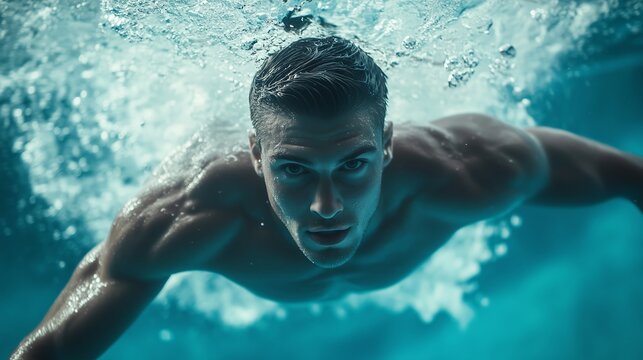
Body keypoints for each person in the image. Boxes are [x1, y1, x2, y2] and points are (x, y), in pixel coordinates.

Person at [11, 36, 642, 359]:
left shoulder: (473, 169)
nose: (326, 206)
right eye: (293, 170)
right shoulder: (186, 215)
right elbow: (54, 349)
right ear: (256, 157)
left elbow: (628, 176)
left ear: (387, 145)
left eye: (354, 164)